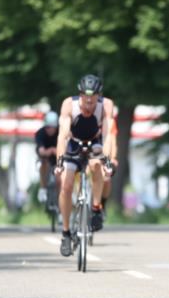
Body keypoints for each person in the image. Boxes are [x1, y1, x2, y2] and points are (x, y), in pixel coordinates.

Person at [54, 74, 115, 257]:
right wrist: (59, 162)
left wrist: (107, 161)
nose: (88, 102)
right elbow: (62, 135)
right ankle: (65, 233)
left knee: (97, 166)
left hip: (94, 142)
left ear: (98, 95)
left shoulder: (106, 105)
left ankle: (96, 207)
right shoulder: (68, 105)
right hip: (73, 143)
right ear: (79, 94)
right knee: (66, 184)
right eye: (84, 97)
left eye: (92, 98)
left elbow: (108, 134)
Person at [35, 110, 59, 204]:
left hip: (59, 157)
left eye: (52, 127)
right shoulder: (40, 133)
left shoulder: (61, 132)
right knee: (43, 162)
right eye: (47, 127)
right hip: (46, 157)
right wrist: (51, 151)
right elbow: (41, 151)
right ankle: (43, 188)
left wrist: (56, 151)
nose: (49, 130)